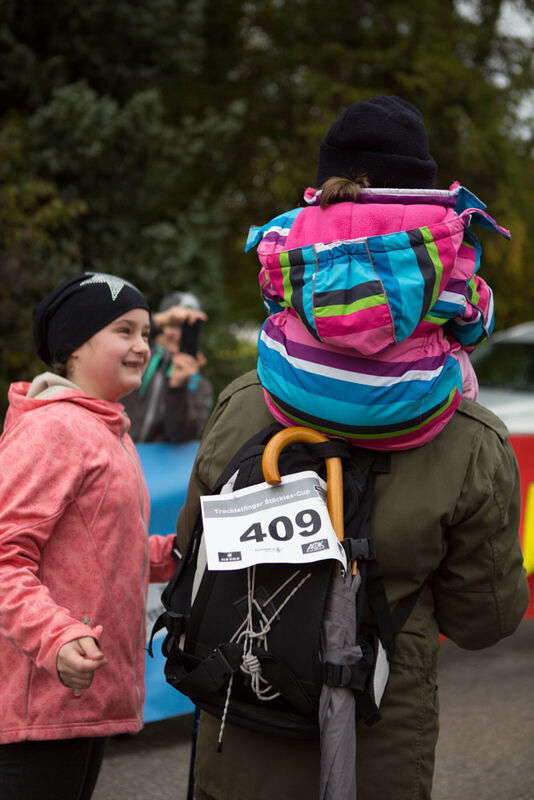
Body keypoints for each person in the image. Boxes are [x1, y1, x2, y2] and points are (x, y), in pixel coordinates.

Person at [174, 98, 529, 800]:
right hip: (374, 742)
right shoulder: (471, 437)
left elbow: (193, 555)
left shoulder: (246, 400)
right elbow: (485, 620)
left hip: (240, 715)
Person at [0, 272, 178, 800]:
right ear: (75, 345)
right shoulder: (54, 428)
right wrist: (54, 636)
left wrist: (177, 555)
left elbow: (99, 550)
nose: (142, 346)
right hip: (39, 708)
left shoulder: (104, 429)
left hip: (84, 701)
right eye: (124, 331)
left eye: (146, 334)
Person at [246, 95, 510, 451]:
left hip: (291, 400)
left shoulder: (289, 232)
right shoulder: (443, 245)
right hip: (409, 416)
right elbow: (476, 324)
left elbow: (271, 297)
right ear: (418, 183)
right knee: (459, 357)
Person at [123, 290, 213, 443]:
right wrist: (156, 320)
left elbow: (180, 435)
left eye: (187, 329)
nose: (178, 334)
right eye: (174, 325)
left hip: (157, 465)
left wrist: (178, 387)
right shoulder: (132, 359)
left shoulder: (197, 384)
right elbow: (111, 331)